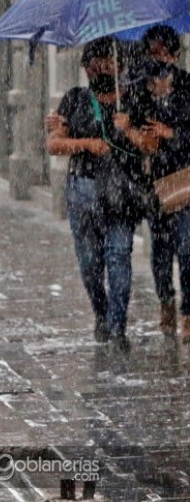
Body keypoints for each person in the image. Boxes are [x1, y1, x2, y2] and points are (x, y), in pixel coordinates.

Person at [46, 36, 157, 352]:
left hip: (123, 191)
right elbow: (54, 144)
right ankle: (101, 311)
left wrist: (129, 131)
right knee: (90, 261)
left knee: (119, 256)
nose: (100, 70)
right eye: (93, 64)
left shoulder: (134, 99)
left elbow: (151, 146)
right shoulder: (76, 99)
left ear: (120, 65)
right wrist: (86, 145)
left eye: (107, 62)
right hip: (84, 188)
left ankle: (118, 326)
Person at [137, 26, 190, 342]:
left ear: (174, 54)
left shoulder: (187, 88)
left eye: (163, 51)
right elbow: (133, 134)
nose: (159, 58)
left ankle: (188, 312)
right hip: (154, 185)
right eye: (153, 51)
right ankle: (166, 302)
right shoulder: (140, 91)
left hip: (184, 183)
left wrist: (172, 135)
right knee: (159, 252)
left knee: (187, 249)